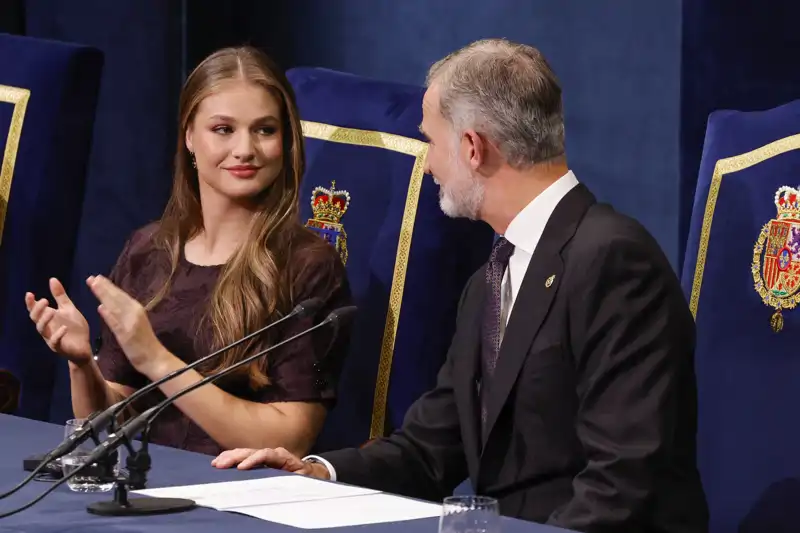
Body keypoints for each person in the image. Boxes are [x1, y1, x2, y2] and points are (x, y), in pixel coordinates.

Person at [212, 39, 709, 531]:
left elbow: (625, 482)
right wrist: (318, 473)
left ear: (473, 148)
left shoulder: (613, 261)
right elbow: (434, 445)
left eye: (430, 142)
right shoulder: (493, 273)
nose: (427, 164)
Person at [24, 46, 351, 457]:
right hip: (144, 485)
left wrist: (159, 361)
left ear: (286, 141)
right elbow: (108, 422)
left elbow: (291, 439)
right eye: (223, 129)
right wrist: (81, 364)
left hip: (238, 496)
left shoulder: (309, 266)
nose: (245, 149)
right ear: (190, 137)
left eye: (265, 130)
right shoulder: (148, 249)